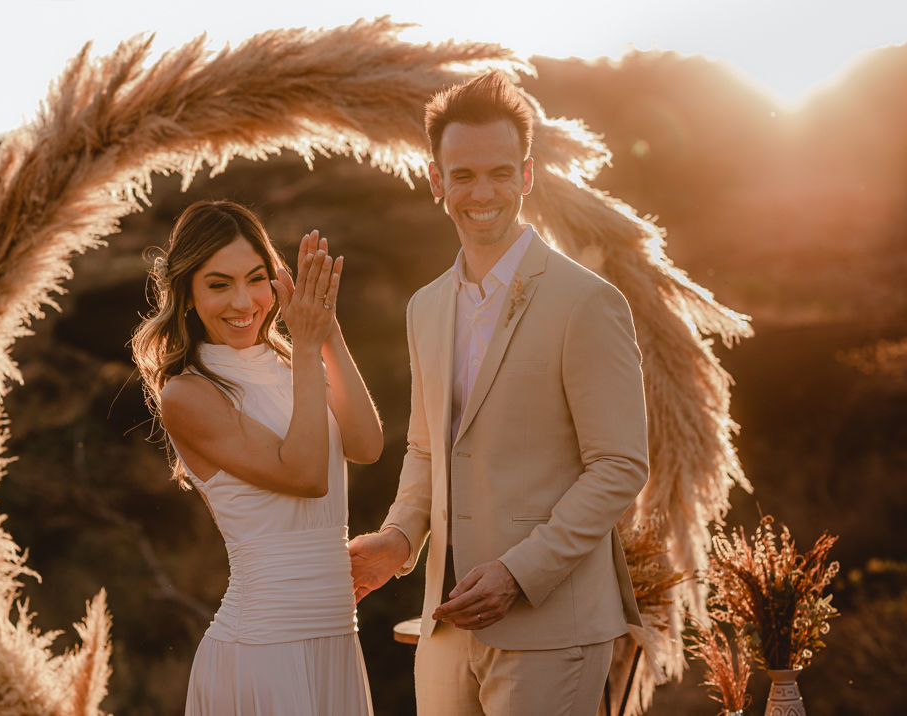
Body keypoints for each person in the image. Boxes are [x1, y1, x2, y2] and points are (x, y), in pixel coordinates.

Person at [348, 71, 648, 715]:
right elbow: (427, 449)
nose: (481, 192)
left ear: (527, 176)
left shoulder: (588, 303)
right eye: (462, 175)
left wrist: (519, 574)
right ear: (436, 181)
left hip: (552, 630)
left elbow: (620, 466)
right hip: (444, 628)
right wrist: (398, 539)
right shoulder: (424, 308)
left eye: (500, 173)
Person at [131, 200, 382, 715]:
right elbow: (308, 475)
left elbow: (366, 445)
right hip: (264, 652)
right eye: (219, 284)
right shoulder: (190, 393)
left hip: (336, 640)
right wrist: (309, 349)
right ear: (187, 296)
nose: (243, 301)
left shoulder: (293, 360)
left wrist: (326, 331)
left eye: (256, 278)